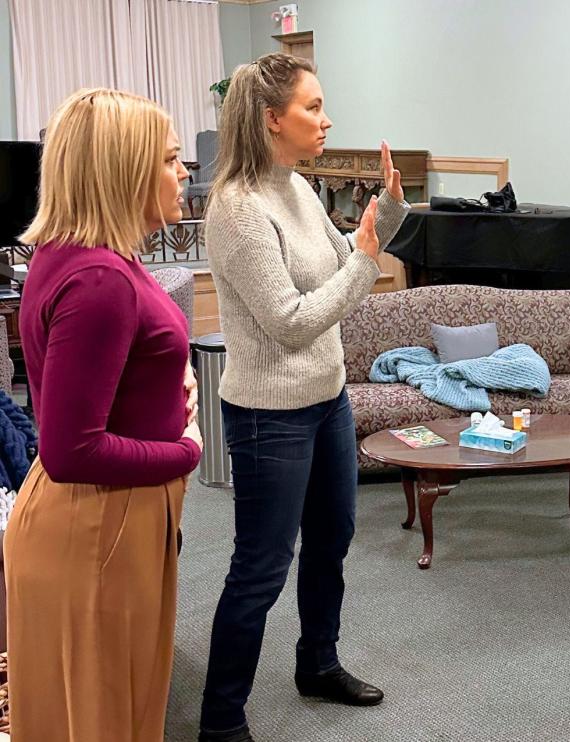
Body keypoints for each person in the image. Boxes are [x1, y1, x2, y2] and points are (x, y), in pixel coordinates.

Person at [198, 53, 409, 742]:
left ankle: (317, 663)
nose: (326, 119)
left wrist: (391, 216)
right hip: (269, 414)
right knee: (260, 569)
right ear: (270, 120)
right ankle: (221, 721)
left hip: (327, 399)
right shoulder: (236, 210)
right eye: (313, 108)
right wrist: (367, 265)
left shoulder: (295, 187)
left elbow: (346, 253)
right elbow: (290, 320)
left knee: (331, 540)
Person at [5, 88, 203, 741]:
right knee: (102, 721)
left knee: (115, 712)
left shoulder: (91, 259)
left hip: (104, 519)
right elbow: (71, 450)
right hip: (98, 523)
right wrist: (187, 448)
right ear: (125, 169)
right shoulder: (101, 280)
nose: (184, 172)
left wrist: (169, 391)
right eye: (172, 159)